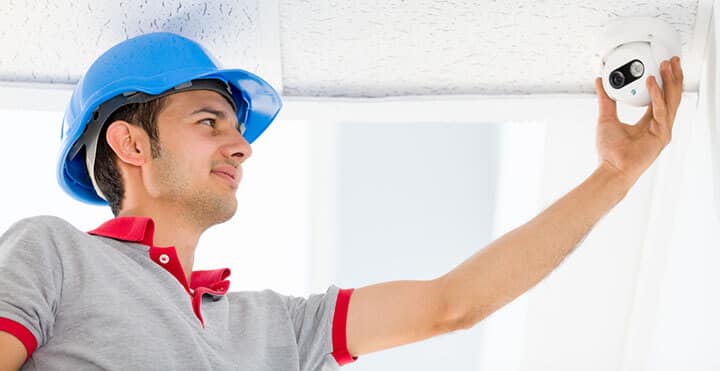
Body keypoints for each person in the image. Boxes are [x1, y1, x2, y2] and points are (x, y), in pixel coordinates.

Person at [0, 32, 683, 370]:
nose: (241, 147)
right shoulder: (54, 253)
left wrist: (614, 177)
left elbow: (452, 303)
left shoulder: (270, 330)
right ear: (131, 143)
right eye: (210, 121)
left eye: (239, 131)